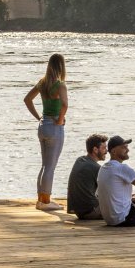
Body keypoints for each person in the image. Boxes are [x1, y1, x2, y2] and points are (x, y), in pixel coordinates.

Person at [24, 53, 68, 211]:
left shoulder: (42, 83)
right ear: (61, 66)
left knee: (44, 165)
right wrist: (60, 120)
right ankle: (46, 201)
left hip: (43, 126)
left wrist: (38, 117)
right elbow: (65, 104)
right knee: (51, 166)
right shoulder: (60, 85)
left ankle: (41, 199)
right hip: (55, 128)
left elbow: (27, 99)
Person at [67, 134, 108, 219]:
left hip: (79, 211)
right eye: (104, 148)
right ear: (95, 150)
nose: (106, 151)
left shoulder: (80, 160)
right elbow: (112, 193)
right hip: (91, 212)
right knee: (129, 206)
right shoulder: (96, 168)